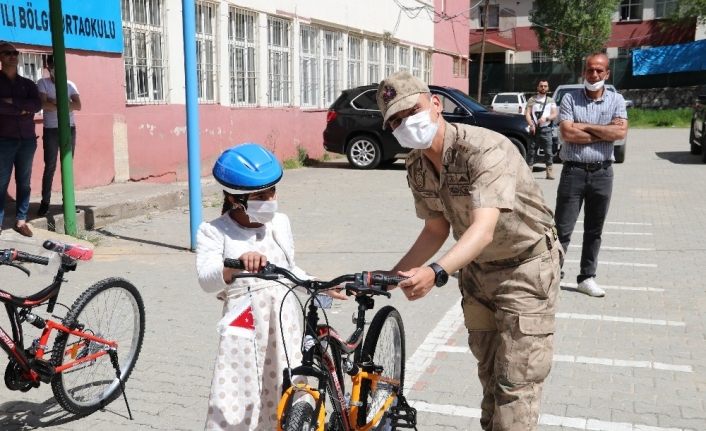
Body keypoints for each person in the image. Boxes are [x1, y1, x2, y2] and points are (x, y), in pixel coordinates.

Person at [377, 71, 561, 430]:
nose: (405, 123)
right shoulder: (416, 165)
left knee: (516, 386)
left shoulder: (484, 148)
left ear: (435, 104)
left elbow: (483, 227)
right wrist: (388, 279)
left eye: (410, 111)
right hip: (477, 275)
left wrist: (436, 272)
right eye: (395, 120)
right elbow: (435, 228)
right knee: (491, 376)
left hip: (526, 270)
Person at [195, 143, 344, 430]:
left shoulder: (281, 223)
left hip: (285, 325)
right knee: (236, 401)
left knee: (288, 393)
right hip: (245, 329)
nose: (270, 200)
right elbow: (206, 279)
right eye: (260, 196)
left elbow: (290, 270)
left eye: (272, 191)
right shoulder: (214, 231)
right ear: (235, 198)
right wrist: (236, 264)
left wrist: (322, 287)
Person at [555, 53, 628, 297]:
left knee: (594, 229)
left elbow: (620, 133)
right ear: (583, 72)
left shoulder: (617, 100)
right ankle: (554, 275)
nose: (594, 75)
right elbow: (567, 133)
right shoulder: (569, 98)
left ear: (607, 73)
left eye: (599, 70)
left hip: (602, 173)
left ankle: (586, 277)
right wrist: (603, 132)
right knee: (562, 229)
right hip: (573, 172)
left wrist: (583, 125)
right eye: (590, 70)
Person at [0, 41, 41, 237]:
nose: (12, 56)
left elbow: (36, 105)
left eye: (15, 53)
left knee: (23, 182)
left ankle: (21, 220)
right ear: (0, 57)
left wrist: (11, 103)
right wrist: (21, 108)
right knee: (1, 182)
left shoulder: (28, 84)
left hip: (27, 140)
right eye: (7, 53)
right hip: (4, 139)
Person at [36, 54, 81, 217]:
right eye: (52, 65)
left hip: (69, 128)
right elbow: (42, 104)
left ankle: (68, 202)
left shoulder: (70, 85)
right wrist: (63, 104)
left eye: (58, 65)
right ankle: (45, 202)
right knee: (50, 166)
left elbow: (78, 105)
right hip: (51, 129)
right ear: (48, 67)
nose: (55, 68)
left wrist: (54, 102)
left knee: (67, 165)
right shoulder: (43, 83)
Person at [525, 79, 558, 179]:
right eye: (541, 86)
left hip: (546, 130)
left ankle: (549, 172)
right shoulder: (532, 100)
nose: (543, 88)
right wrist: (531, 124)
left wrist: (546, 118)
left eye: (545, 86)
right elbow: (527, 113)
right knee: (531, 151)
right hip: (534, 130)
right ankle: (528, 173)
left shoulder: (550, 101)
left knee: (548, 152)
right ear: (538, 87)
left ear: (548, 88)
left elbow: (554, 114)